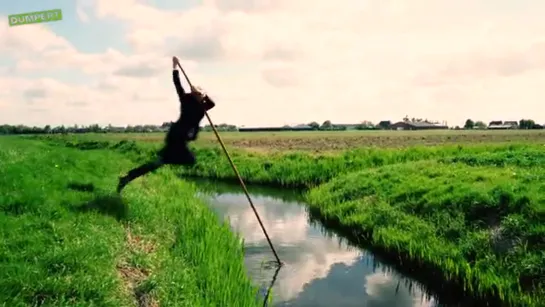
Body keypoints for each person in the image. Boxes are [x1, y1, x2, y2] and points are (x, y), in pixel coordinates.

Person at [116, 56, 216, 193]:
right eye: (199, 95)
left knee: (159, 163)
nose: (201, 96)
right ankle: (163, 160)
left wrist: (176, 68)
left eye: (201, 95)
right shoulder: (193, 104)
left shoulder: (195, 103)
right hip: (178, 137)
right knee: (189, 160)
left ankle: (128, 178)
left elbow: (210, 102)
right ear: (196, 95)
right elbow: (179, 85)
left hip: (177, 136)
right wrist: (175, 68)